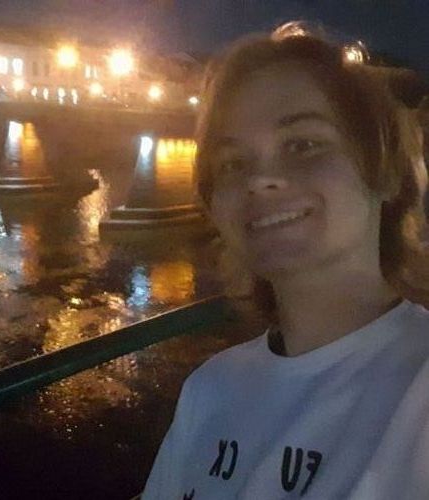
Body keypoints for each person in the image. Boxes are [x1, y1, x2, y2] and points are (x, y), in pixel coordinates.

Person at [141, 22, 429, 499]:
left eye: (303, 145)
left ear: (385, 172)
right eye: (233, 163)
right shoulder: (209, 389)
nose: (260, 179)